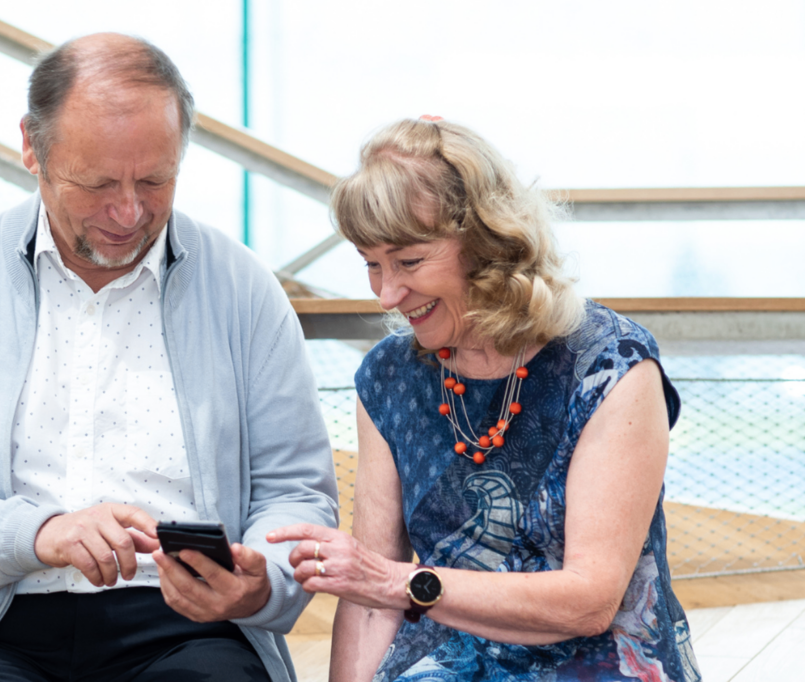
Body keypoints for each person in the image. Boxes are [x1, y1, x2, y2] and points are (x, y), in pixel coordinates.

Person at [0, 33, 337, 682]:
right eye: (99, 183)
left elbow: (295, 490)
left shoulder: (244, 288)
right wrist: (37, 534)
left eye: (155, 180)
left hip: (189, 628)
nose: (129, 211)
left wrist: (264, 583)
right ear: (32, 147)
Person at [268, 117, 701, 681]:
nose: (387, 294)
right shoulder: (389, 375)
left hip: (600, 663)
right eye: (371, 263)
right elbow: (371, 605)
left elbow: (588, 603)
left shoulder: (610, 365)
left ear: (486, 244)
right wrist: (379, 589)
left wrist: (398, 582)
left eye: (408, 261)